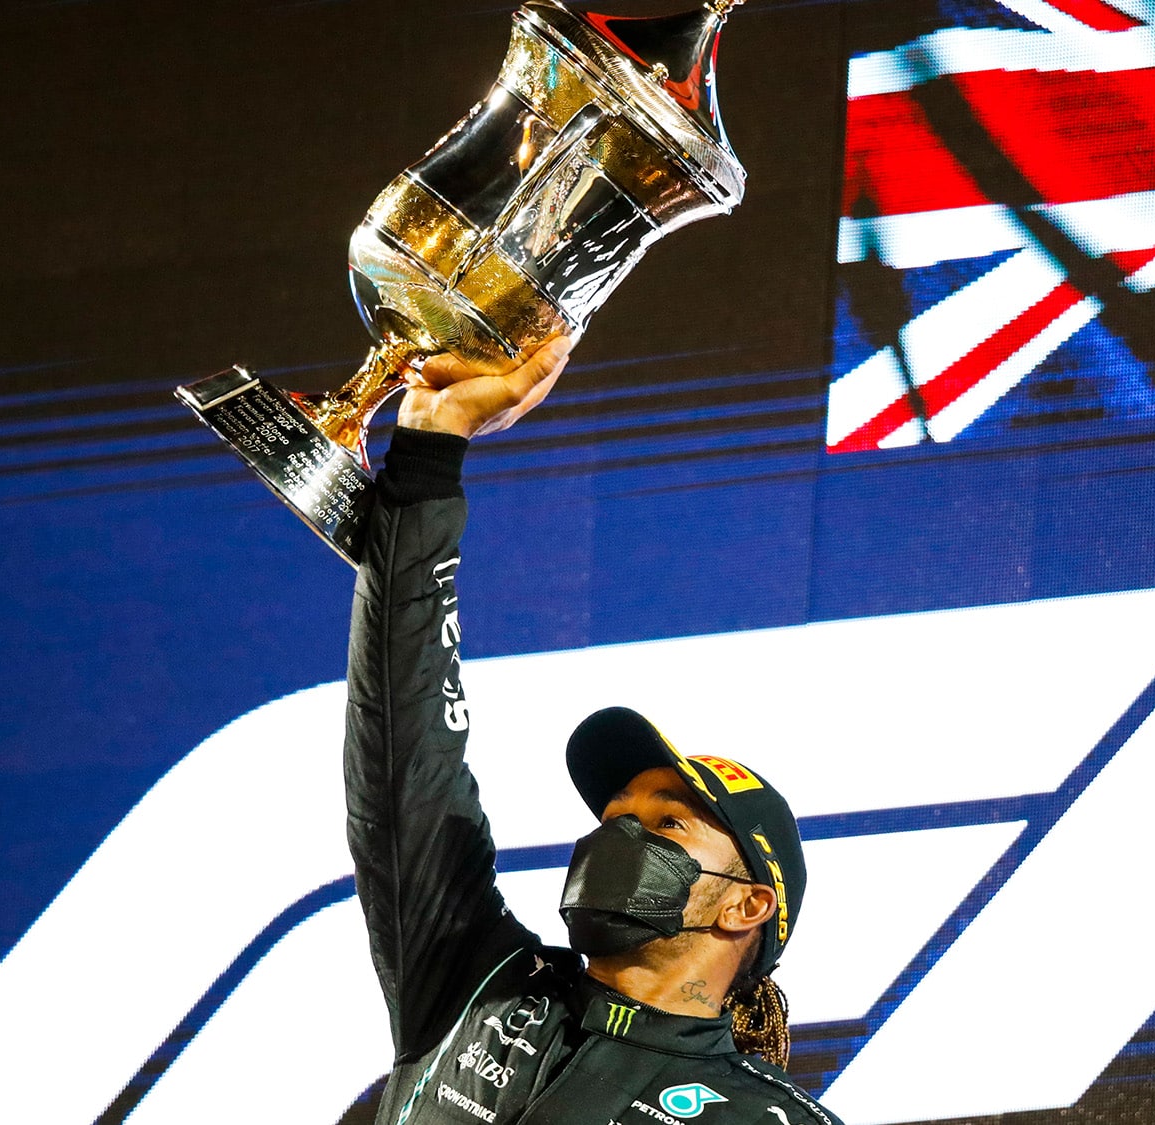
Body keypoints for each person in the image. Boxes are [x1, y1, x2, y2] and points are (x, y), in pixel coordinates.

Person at [343, 336, 844, 1124]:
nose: (619, 836)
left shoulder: (763, 1118)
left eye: (667, 822)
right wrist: (430, 450)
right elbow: (405, 756)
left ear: (747, 905)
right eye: (616, 820)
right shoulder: (473, 978)